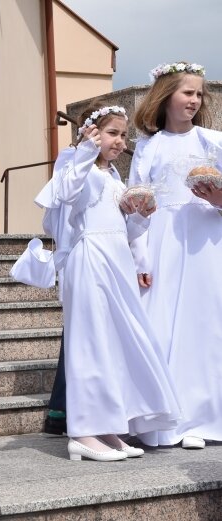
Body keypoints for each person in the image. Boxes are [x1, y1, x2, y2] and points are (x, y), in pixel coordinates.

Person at [35, 101, 181, 462]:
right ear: (93, 133)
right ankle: (83, 431)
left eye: (123, 135)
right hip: (90, 259)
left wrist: (142, 216)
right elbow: (62, 196)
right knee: (90, 342)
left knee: (113, 345)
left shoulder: (114, 175)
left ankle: (107, 427)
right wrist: (84, 149)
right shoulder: (73, 162)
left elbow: (123, 228)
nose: (120, 142)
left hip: (116, 261)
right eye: (113, 134)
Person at [128, 61, 222, 450]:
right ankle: (167, 420)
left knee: (204, 323)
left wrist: (219, 198)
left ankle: (204, 419)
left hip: (206, 239)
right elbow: (134, 201)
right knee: (162, 322)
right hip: (164, 239)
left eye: (199, 94)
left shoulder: (214, 141)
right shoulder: (149, 147)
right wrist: (139, 258)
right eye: (188, 92)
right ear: (166, 95)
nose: (194, 100)